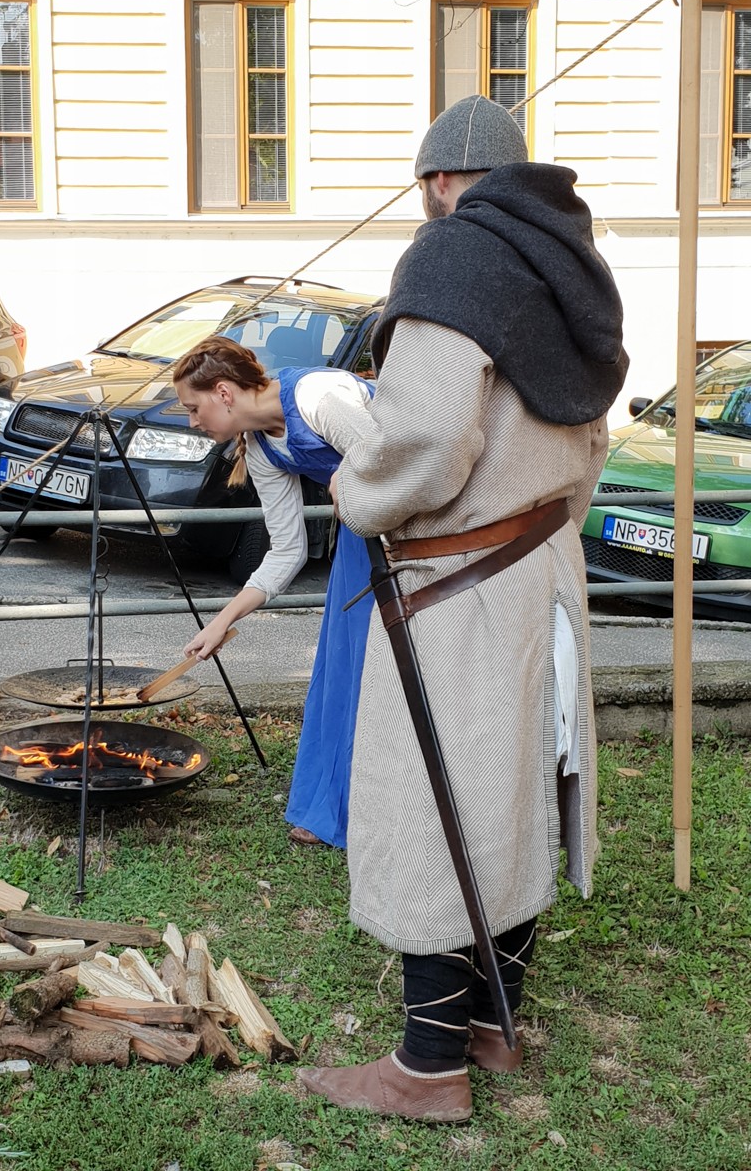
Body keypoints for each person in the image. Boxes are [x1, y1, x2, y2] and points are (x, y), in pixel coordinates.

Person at [296, 95, 628, 1123]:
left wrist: (357, 491)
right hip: (543, 571)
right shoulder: (570, 265)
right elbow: (588, 440)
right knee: (513, 791)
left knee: (435, 807)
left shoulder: (450, 263)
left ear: (440, 181)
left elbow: (431, 434)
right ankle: (493, 1021)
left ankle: (428, 1065)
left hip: (461, 587)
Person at [171, 336, 374, 848]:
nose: (193, 421)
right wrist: (222, 621)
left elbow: (393, 459)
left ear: (223, 393)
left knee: (397, 675)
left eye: (194, 409)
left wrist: (346, 487)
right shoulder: (261, 446)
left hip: (416, 530)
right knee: (344, 674)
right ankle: (334, 812)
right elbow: (287, 551)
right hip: (360, 540)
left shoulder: (319, 397)